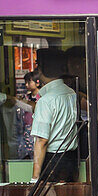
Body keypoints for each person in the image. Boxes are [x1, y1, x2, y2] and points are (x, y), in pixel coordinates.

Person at [31, 48, 79, 183]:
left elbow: (42, 141)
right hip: (71, 159)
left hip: (53, 161)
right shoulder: (71, 93)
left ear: (42, 69)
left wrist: (34, 178)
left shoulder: (46, 101)